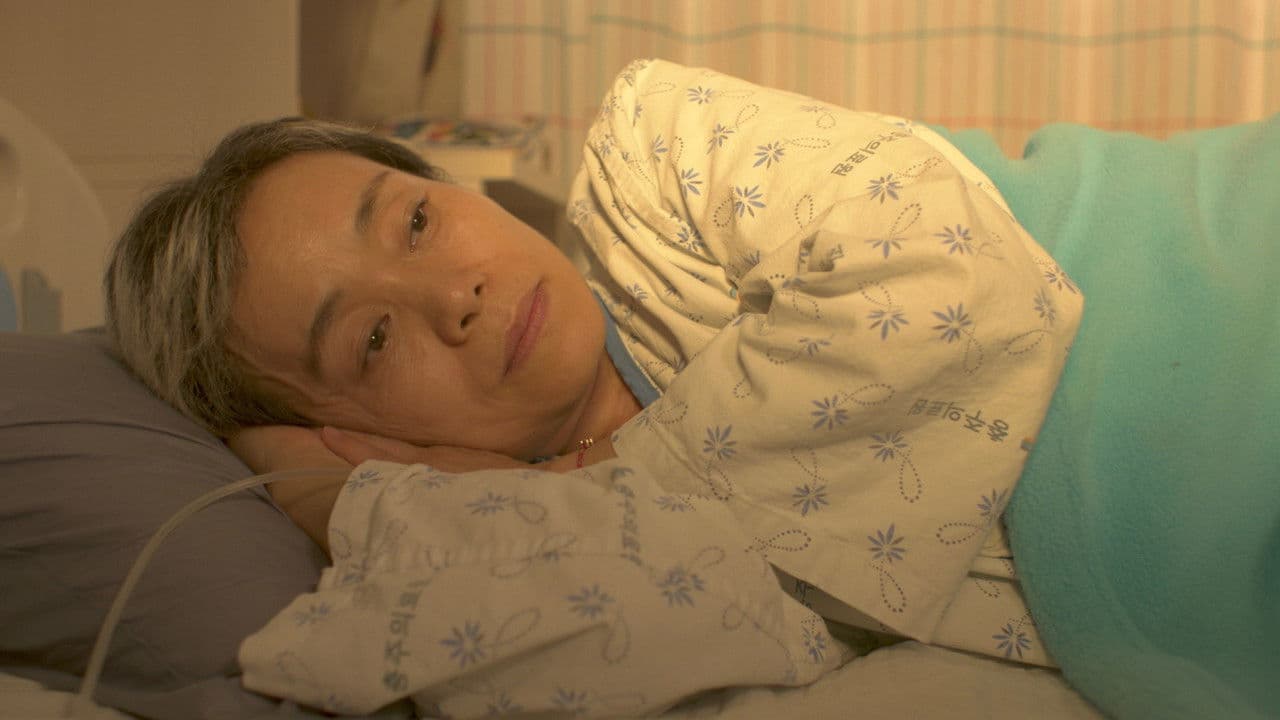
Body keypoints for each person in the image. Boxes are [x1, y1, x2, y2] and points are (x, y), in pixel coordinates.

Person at [106, 59, 1277, 719]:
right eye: (370, 340)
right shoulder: (576, 546)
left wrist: (634, 474)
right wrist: (339, 495)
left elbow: (943, 274)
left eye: (413, 220)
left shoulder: (653, 159)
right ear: (349, 430)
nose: (449, 293)